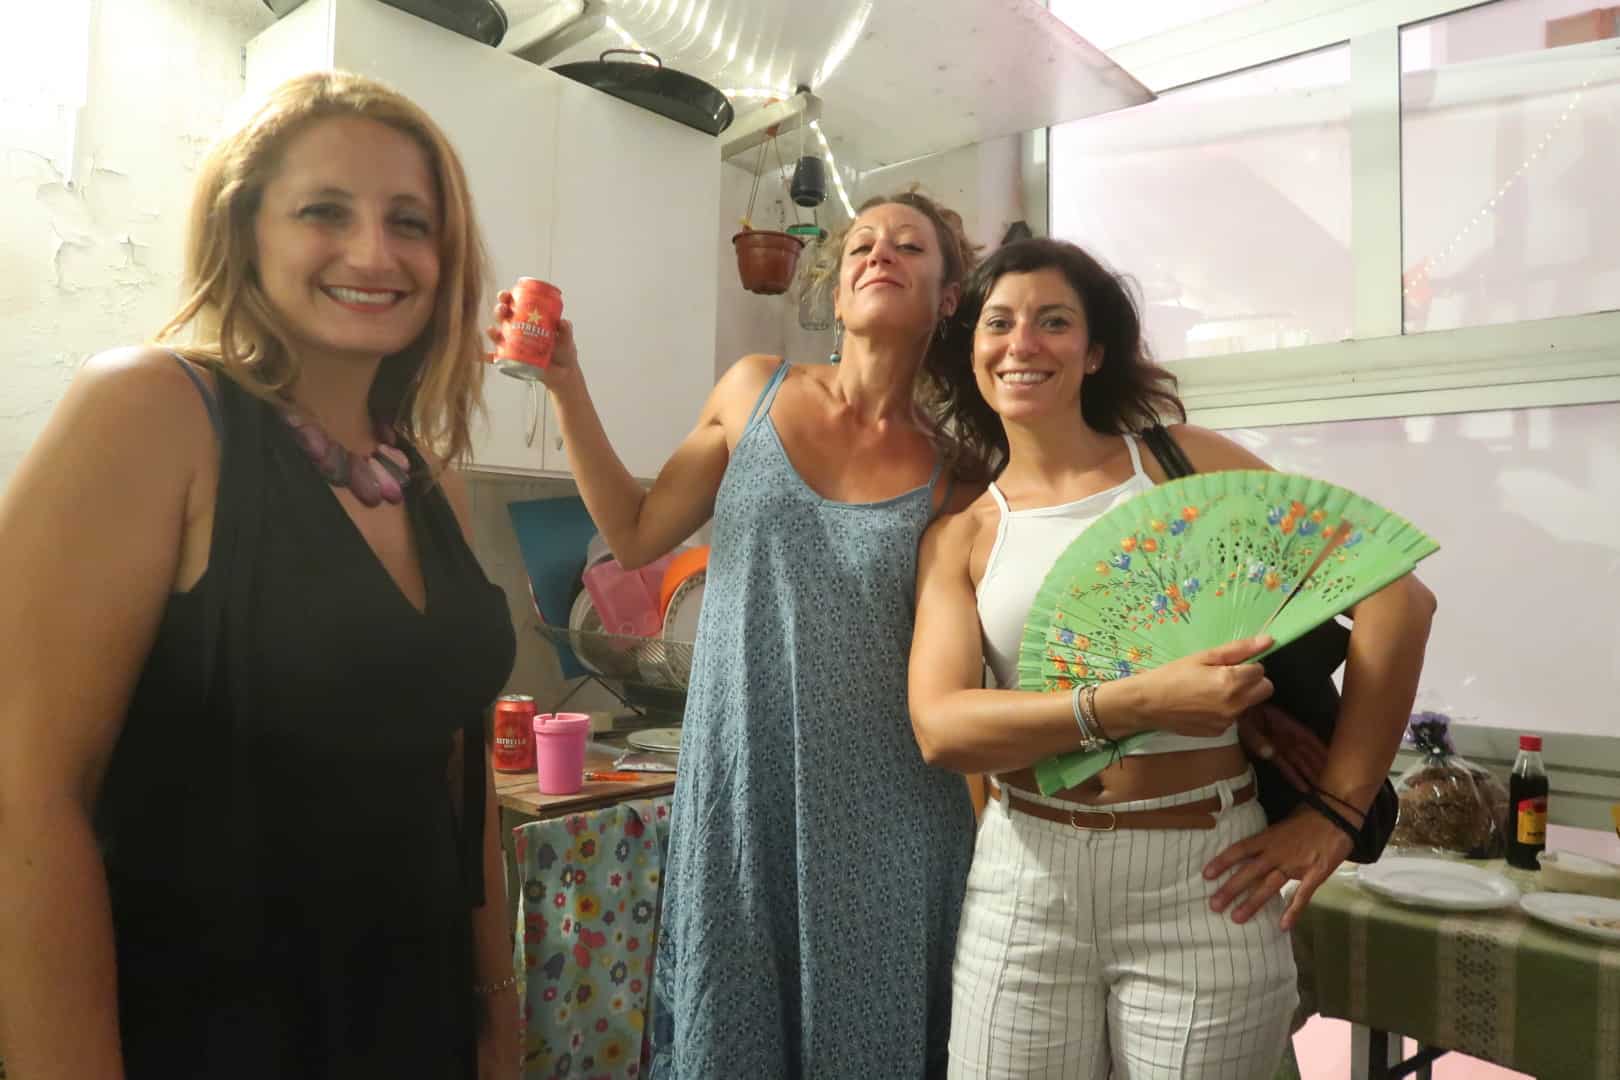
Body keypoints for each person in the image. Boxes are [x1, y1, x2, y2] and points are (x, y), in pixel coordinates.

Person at [0, 72, 520, 1079]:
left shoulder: (431, 482)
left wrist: (497, 1013)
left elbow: (463, 785)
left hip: (414, 1027)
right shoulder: (153, 410)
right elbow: (25, 795)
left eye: (410, 222)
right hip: (210, 1032)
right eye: (325, 211)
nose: (374, 252)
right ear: (244, 232)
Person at [908, 238, 1436, 1079]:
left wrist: (1337, 810)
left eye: (1054, 322)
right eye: (998, 323)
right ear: (973, 351)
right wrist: (1139, 702)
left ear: (1095, 352)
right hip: (1023, 879)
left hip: (1204, 876)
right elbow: (942, 727)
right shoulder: (962, 535)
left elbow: (1397, 598)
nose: (1023, 343)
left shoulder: (1182, 467)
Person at [493, 191, 981, 1078]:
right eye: (863, 244)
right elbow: (635, 533)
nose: (880, 253)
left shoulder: (956, 473)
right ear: (837, 292)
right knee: (734, 1034)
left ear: (947, 298)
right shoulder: (755, 389)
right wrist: (565, 384)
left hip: (888, 813)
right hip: (741, 786)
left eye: (910, 247)